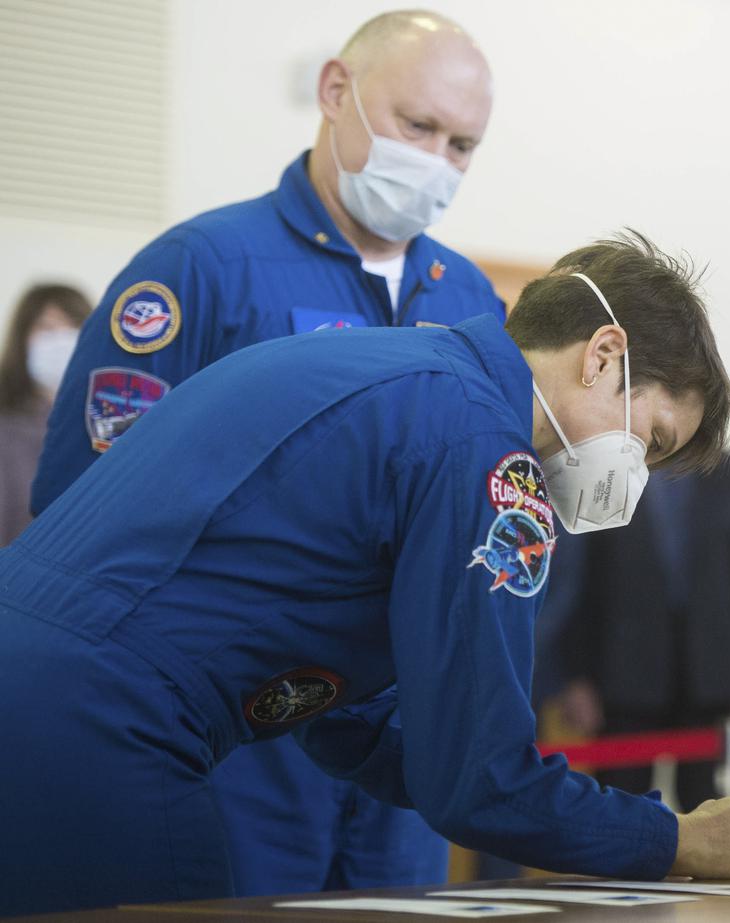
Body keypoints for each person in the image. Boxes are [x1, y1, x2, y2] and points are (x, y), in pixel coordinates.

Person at [0, 234, 730, 917]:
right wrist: (680, 837)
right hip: (112, 721)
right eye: (648, 439)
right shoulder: (485, 447)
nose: (634, 478)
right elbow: (481, 780)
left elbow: (353, 718)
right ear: (604, 356)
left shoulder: (403, 373)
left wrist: (468, 757)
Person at [30, 10, 505, 894]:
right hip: (233, 746)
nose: (437, 161)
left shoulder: (472, 305)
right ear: (337, 92)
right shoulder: (202, 269)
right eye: (418, 125)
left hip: (401, 765)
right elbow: (80, 516)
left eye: (463, 143)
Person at [554, 455, 730, 810]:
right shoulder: (606, 468)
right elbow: (579, 580)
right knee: (619, 812)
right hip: (622, 680)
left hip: (709, 677)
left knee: (710, 813)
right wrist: (576, 676)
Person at [0, 284, 90, 545]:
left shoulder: (108, 424)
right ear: (22, 338)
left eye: (72, 326)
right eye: (46, 328)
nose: (60, 339)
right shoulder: (6, 426)